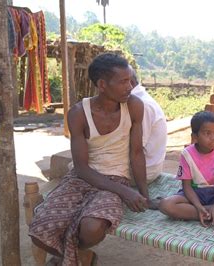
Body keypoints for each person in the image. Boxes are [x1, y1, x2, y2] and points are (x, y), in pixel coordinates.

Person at [28, 53, 152, 265]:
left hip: (116, 180)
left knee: (92, 228)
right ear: (102, 85)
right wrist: (126, 193)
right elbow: (82, 168)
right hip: (81, 178)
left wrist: (142, 193)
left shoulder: (134, 106)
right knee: (39, 229)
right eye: (123, 81)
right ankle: (83, 256)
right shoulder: (79, 113)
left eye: (130, 80)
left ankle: (69, 257)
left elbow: (137, 153)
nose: (130, 86)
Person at [130, 67, 168, 184]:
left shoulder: (142, 105)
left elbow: (136, 150)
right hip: (146, 166)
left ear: (129, 82)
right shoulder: (137, 100)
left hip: (145, 171)